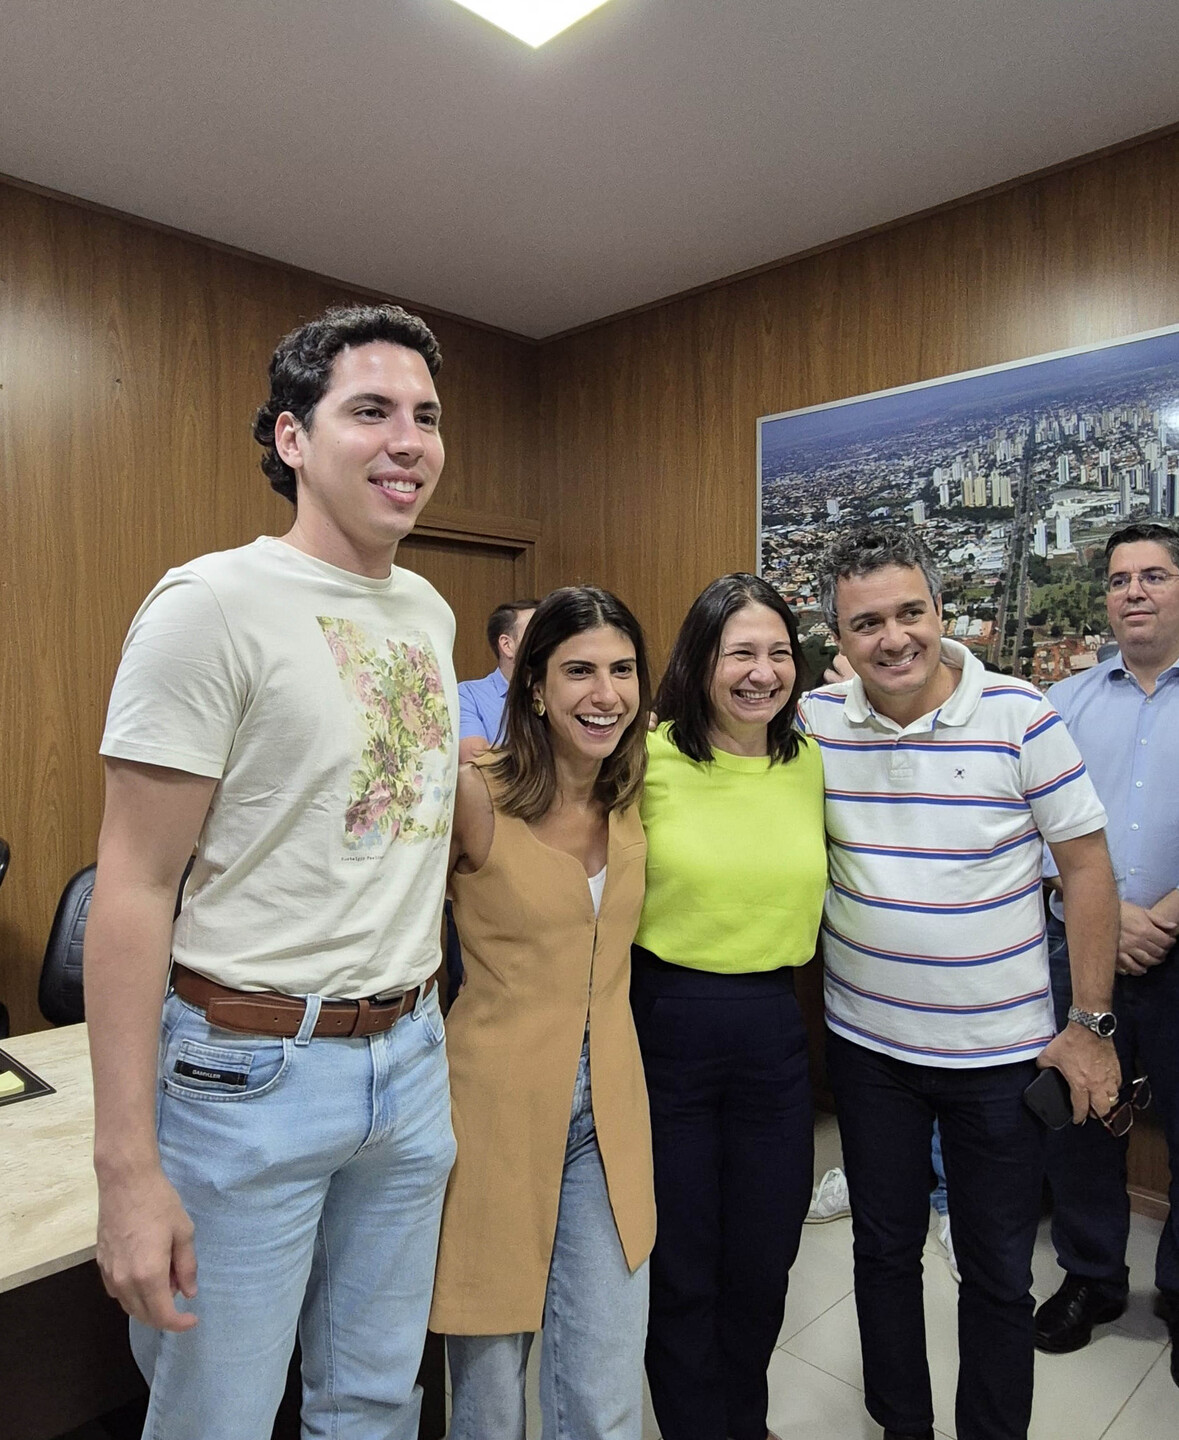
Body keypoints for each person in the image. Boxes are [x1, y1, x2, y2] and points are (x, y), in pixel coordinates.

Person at [84, 303, 458, 1440]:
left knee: (375, 1405)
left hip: (411, 1059)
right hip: (248, 1073)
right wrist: (126, 1170)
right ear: (292, 438)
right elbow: (135, 886)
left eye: (427, 417)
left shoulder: (429, 611)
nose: (409, 440)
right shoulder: (212, 605)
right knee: (220, 1418)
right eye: (371, 411)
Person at [799, 525, 1121, 1440]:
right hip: (868, 1054)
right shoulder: (816, 726)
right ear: (839, 640)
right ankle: (901, 1426)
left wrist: (1090, 1025)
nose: (894, 638)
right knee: (883, 1255)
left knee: (995, 1272)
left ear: (941, 612)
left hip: (1001, 1063)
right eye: (867, 624)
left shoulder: (1021, 714)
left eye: (911, 613)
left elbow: (1088, 871)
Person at [431, 585, 656, 1440]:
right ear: (532, 686)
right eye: (578, 672)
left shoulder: (630, 789)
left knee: (603, 1392)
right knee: (487, 1399)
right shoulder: (473, 793)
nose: (606, 694)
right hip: (489, 1110)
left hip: (611, 1115)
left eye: (622, 670)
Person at [630, 572, 828, 1440]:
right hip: (663, 1021)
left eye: (778, 652)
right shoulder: (647, 754)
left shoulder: (809, 760)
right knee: (682, 1261)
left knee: (763, 1255)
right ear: (700, 659)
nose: (761, 671)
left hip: (773, 1029)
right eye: (739, 652)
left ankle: (741, 1422)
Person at [1033, 522, 1179, 1386]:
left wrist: (1157, 914)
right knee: (1081, 1120)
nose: (1133, 591)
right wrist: (1105, 913)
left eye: (1153, 575)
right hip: (1082, 950)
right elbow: (1033, 830)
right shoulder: (1067, 702)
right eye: (1119, 578)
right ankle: (1091, 1278)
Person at [458, 598, 539, 761]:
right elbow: (476, 760)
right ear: (507, 645)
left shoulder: (561, 692)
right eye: (536, 632)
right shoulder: (468, 695)